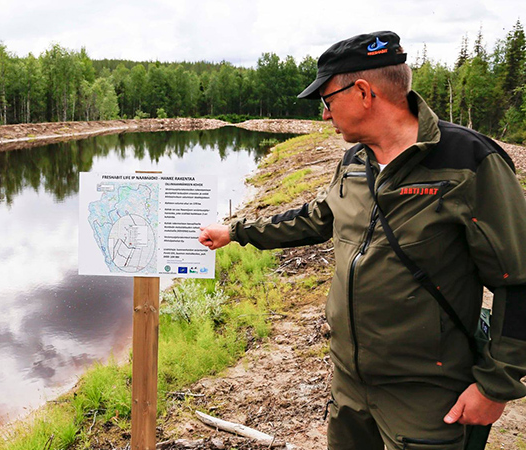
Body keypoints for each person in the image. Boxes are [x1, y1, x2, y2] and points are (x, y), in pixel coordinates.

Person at [199, 31, 526, 449]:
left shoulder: (468, 163)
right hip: (351, 385)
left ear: (363, 92)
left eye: (327, 100)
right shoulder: (356, 158)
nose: (324, 115)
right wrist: (237, 232)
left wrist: (495, 388)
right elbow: (317, 217)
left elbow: (516, 280)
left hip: (427, 393)